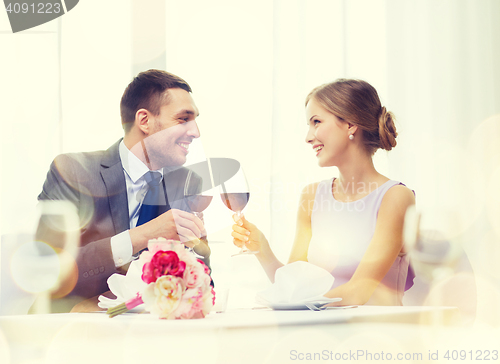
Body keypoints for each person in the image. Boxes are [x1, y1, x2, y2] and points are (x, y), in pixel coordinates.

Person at [232, 79, 415, 306]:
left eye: (316, 122)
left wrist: (291, 304)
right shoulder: (311, 196)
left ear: (350, 124)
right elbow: (293, 286)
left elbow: (359, 291)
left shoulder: (395, 197)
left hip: (379, 335)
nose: (308, 137)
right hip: (322, 331)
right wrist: (262, 249)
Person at [38, 70, 210, 307]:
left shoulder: (188, 182)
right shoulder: (72, 172)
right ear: (144, 121)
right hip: (70, 329)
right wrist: (141, 236)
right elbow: (45, 270)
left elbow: (202, 278)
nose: (195, 132)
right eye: (183, 119)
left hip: (150, 333)